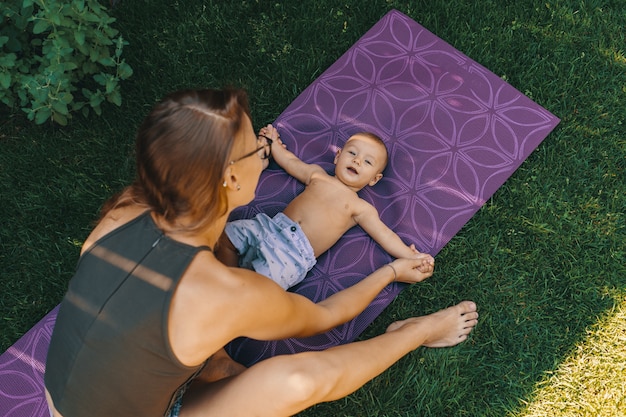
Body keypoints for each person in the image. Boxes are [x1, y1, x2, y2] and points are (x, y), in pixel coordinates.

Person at [44, 88, 478, 417]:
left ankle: (210, 366)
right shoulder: (228, 293)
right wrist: (389, 273)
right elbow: (325, 317)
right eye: (257, 148)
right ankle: (416, 332)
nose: (265, 151)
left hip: (64, 401)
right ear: (232, 180)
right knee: (298, 380)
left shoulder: (124, 211)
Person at [218, 127, 433, 289]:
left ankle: (232, 292)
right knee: (225, 236)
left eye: (367, 162)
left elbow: (385, 234)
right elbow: (291, 162)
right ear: (338, 156)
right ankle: (225, 276)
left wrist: (411, 256)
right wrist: (274, 144)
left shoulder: (360, 208)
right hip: (269, 227)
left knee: (257, 286)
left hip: (292, 255)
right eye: (352, 154)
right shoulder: (317, 175)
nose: (357, 161)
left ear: (374, 179)